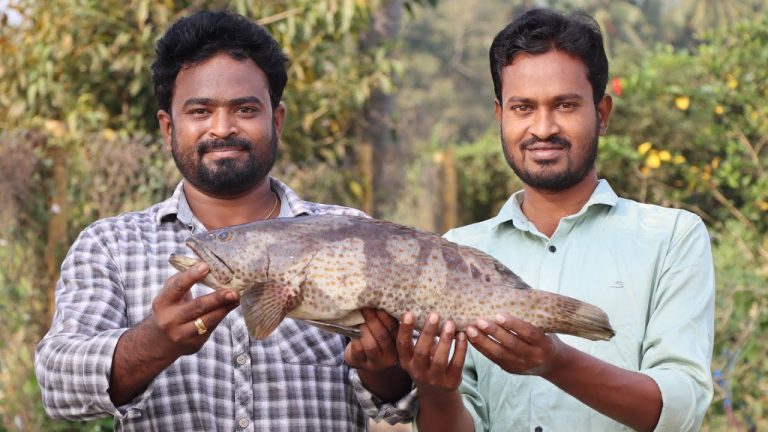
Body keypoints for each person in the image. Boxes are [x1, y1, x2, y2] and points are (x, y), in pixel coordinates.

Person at [34, 10, 411, 431]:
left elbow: (397, 403)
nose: (222, 128)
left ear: (277, 120)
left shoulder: (349, 232)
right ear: (167, 127)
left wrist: (383, 365)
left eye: (245, 109)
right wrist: (153, 344)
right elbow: (57, 386)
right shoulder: (112, 245)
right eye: (199, 111)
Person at [388, 8, 715, 432]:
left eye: (564, 105)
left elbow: (680, 409)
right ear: (499, 116)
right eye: (523, 107)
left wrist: (556, 363)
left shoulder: (671, 237)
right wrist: (437, 390)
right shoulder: (455, 250)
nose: (542, 128)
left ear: (602, 113)